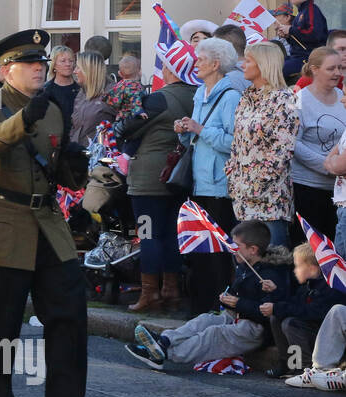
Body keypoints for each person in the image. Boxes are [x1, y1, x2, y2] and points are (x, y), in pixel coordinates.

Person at [0, 28, 113, 397]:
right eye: (30, 64)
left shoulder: (51, 107)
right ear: (6, 69)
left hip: (47, 223)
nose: (39, 69)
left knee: (69, 315)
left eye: (41, 63)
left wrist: (74, 164)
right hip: (3, 220)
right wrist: (22, 120)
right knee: (1, 324)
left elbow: (55, 169)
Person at [126, 221, 291, 370]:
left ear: (253, 250)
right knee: (206, 319)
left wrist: (238, 302)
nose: (232, 250)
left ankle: (167, 354)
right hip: (237, 315)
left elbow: (268, 312)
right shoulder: (245, 266)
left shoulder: (270, 275)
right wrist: (227, 298)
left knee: (214, 334)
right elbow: (237, 294)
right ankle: (164, 341)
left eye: (236, 246)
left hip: (255, 329)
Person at [114, 58, 196, 313]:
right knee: (172, 234)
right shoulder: (198, 95)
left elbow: (128, 127)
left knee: (149, 235)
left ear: (171, 70)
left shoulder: (159, 98)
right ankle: (171, 291)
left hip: (150, 179)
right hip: (181, 175)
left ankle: (150, 294)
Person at [173, 37, 241, 316]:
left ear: (215, 64)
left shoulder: (231, 96)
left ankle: (218, 309)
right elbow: (199, 135)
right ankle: (200, 310)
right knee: (199, 253)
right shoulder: (200, 92)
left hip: (220, 187)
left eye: (200, 59)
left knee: (218, 256)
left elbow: (234, 142)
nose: (195, 63)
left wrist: (200, 129)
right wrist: (186, 129)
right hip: (198, 183)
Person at [227, 41, 299, 249]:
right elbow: (238, 143)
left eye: (248, 61)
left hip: (270, 199)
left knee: (272, 262)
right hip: (241, 196)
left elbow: (282, 150)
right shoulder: (246, 98)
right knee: (247, 262)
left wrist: (256, 185)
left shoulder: (283, 100)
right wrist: (232, 174)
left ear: (263, 64)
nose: (243, 65)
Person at [291, 47, 345, 242]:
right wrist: (325, 165)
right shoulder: (298, 99)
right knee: (310, 249)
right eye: (331, 68)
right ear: (314, 69)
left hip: (339, 190)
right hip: (308, 187)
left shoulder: (343, 97)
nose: (338, 73)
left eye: (340, 67)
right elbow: (293, 142)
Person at [267, 243, 338, 377]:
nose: (295, 270)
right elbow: (293, 303)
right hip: (312, 330)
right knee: (276, 317)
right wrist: (275, 293)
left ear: (311, 268)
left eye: (298, 266)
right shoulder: (308, 286)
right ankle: (287, 363)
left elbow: (312, 313)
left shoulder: (328, 287)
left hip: (325, 337)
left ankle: (303, 368)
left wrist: (277, 307)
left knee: (290, 324)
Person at [275, 0, 328, 82]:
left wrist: (290, 30)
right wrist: (288, 36)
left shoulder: (312, 10)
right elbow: (301, 40)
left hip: (307, 59)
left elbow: (315, 34)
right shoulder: (302, 12)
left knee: (276, 71)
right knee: (272, 65)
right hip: (297, 57)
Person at [70, 51, 114, 146]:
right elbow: (75, 127)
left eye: (78, 67)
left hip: (100, 155)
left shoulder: (112, 92)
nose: (74, 71)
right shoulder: (82, 93)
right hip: (78, 154)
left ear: (89, 70)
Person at [44, 45, 79, 122]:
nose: (68, 64)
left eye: (71, 61)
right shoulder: (46, 90)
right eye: (63, 61)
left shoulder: (81, 89)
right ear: (54, 65)